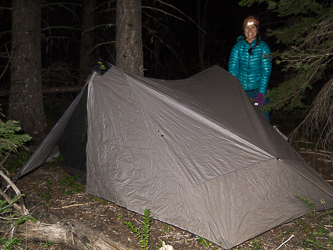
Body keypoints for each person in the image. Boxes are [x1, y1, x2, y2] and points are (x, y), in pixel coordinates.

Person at [228, 15, 272, 121]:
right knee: (240, 119)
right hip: (241, 90)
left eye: (253, 27)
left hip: (258, 90)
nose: (250, 30)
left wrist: (261, 94)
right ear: (244, 30)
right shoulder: (237, 48)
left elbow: (265, 73)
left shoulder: (264, 48)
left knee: (261, 119)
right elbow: (233, 71)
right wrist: (235, 90)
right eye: (247, 27)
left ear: (257, 30)